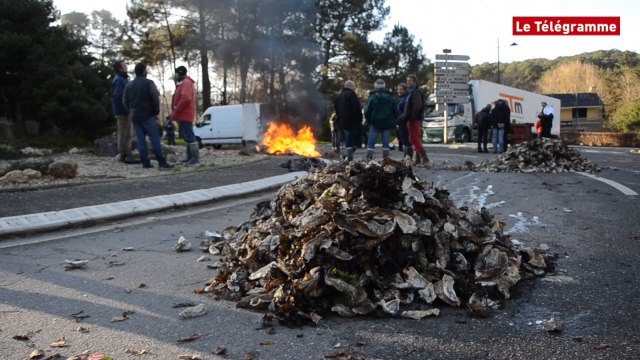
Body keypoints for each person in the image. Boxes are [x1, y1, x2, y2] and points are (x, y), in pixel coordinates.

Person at [123, 62, 174, 169]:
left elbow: (125, 101)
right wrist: (155, 112)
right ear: (144, 71)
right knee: (154, 139)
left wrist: (130, 110)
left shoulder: (129, 85)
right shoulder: (149, 83)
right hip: (148, 114)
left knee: (140, 140)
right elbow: (155, 98)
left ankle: (145, 163)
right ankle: (161, 162)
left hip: (135, 115)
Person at [363, 79, 398, 161]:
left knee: (371, 142)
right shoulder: (390, 97)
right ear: (384, 86)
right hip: (387, 123)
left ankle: (369, 159)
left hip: (375, 122)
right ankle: (386, 159)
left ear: (375, 87)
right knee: (386, 143)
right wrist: (393, 121)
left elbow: (367, 111)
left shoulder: (372, 97)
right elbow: (395, 111)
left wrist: (368, 121)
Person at [111, 60, 139, 164]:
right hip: (123, 111)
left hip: (125, 110)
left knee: (127, 132)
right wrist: (126, 109)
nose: (126, 66)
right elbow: (118, 96)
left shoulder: (123, 79)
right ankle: (125, 153)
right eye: (124, 65)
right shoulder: (119, 80)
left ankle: (126, 153)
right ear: (119, 68)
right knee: (124, 133)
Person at [172, 66, 198, 165]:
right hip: (184, 114)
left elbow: (186, 98)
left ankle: (195, 158)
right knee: (187, 136)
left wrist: (177, 108)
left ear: (180, 73)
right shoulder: (184, 82)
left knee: (190, 135)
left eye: (177, 74)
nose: (176, 76)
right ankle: (189, 157)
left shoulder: (186, 82)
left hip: (185, 113)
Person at [334, 80, 363, 161]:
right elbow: (356, 108)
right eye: (354, 86)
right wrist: (360, 119)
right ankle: (348, 155)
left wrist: (339, 121)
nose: (354, 88)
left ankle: (348, 155)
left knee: (348, 138)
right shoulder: (352, 94)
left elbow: (336, 110)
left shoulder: (338, 97)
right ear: (350, 86)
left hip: (343, 121)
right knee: (358, 139)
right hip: (353, 121)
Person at [403, 75, 428, 164]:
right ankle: (417, 159)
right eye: (407, 81)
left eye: (410, 81)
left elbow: (417, 106)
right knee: (414, 138)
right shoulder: (411, 92)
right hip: (413, 118)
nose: (408, 82)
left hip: (414, 119)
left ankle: (424, 157)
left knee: (414, 139)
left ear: (415, 82)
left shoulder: (415, 92)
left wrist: (412, 117)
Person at [396, 83, 412, 159]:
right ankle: (406, 157)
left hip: (404, 122)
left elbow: (405, 112)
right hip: (402, 121)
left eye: (401, 89)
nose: (399, 91)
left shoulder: (406, 99)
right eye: (398, 89)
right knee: (404, 141)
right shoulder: (404, 98)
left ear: (405, 90)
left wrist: (399, 119)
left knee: (406, 141)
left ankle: (408, 158)